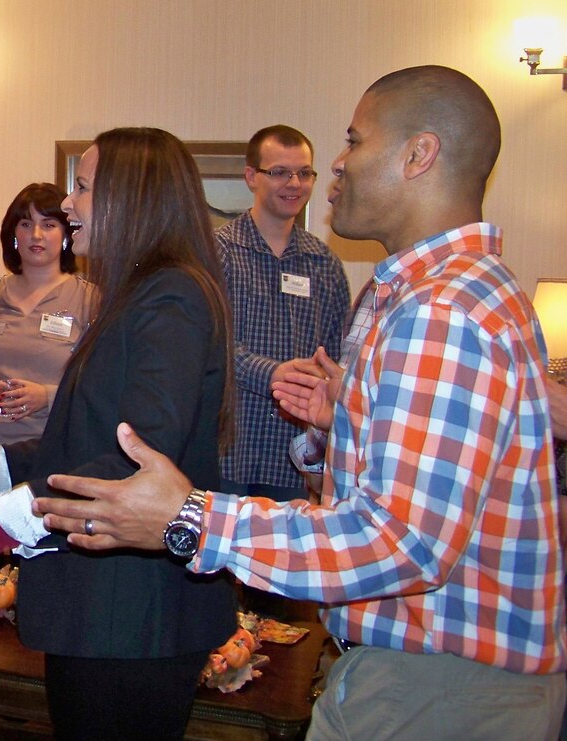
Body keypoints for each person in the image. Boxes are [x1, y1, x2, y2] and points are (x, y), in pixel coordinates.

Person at [34, 66, 566, 740]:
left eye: (355, 140)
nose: (337, 164)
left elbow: (400, 543)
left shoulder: (442, 311)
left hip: (439, 686)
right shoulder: (427, 294)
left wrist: (191, 517)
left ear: (419, 154)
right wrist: (345, 426)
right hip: (426, 675)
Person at [0, 127, 239, 741]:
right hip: (107, 608)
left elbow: (135, 464)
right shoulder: (140, 293)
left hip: (133, 613)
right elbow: (90, 436)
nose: (67, 205)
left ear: (130, 197)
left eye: (82, 188)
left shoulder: (171, 297)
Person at [0, 182, 92, 577]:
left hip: (44, 458)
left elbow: (97, 390)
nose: (36, 235)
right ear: (13, 234)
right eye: (26, 224)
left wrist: (48, 396)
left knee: (39, 579)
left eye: (49, 224)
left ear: (66, 234)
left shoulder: (90, 300)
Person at [218, 125, 350, 502]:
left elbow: (337, 358)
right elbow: (206, 347)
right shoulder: (217, 252)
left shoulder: (325, 264)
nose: (294, 183)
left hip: (293, 459)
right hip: (227, 453)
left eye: (304, 173)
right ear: (251, 177)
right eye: (279, 172)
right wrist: (274, 374)